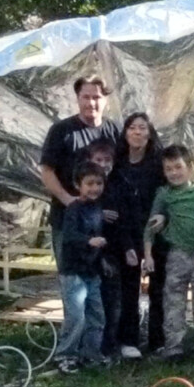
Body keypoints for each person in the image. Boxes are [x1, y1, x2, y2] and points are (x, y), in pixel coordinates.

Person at [143, 144, 194, 360]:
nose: (174, 173)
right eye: (168, 169)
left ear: (189, 167)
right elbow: (150, 225)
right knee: (173, 302)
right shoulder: (164, 194)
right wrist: (148, 255)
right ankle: (174, 347)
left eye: (178, 167)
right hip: (176, 255)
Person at [40, 75, 119, 265]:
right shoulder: (61, 131)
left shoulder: (115, 131)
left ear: (106, 99)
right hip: (69, 221)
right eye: (86, 97)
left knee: (105, 285)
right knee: (73, 282)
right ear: (77, 98)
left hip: (104, 222)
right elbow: (46, 171)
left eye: (97, 97)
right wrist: (69, 200)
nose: (91, 103)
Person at [114, 113, 168, 358]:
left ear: (149, 133)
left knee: (159, 286)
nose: (137, 132)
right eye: (132, 127)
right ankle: (129, 340)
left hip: (156, 233)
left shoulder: (158, 164)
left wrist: (164, 217)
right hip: (126, 232)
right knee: (129, 287)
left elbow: (170, 194)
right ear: (125, 133)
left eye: (142, 128)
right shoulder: (117, 163)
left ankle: (158, 340)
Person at [54, 161, 109, 373]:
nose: (94, 188)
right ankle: (65, 355)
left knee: (97, 314)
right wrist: (88, 241)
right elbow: (68, 237)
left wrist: (101, 259)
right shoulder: (73, 209)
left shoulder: (97, 209)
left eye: (98, 183)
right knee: (76, 316)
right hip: (73, 272)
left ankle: (91, 353)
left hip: (92, 271)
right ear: (78, 185)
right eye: (89, 183)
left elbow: (99, 238)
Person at [83, 139, 132, 358]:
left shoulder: (117, 187)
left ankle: (109, 345)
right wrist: (98, 214)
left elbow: (123, 222)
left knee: (113, 302)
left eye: (107, 160)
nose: (103, 164)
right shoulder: (85, 190)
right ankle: (89, 347)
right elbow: (80, 223)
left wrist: (129, 247)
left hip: (113, 254)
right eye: (98, 160)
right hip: (90, 256)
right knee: (90, 303)